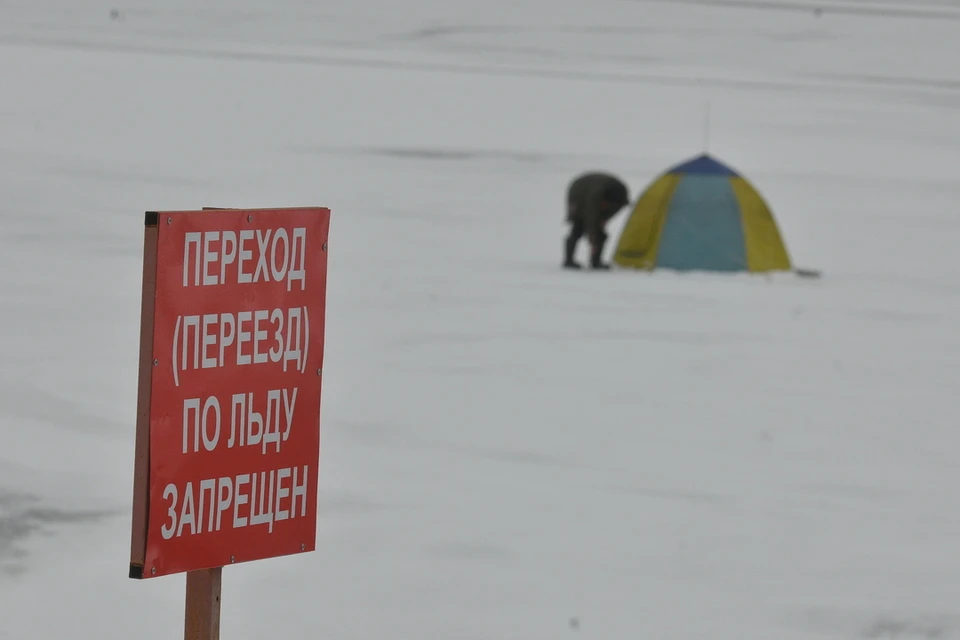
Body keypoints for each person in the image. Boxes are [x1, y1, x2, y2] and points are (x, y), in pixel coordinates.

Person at [563, 171, 630, 270]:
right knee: (578, 227)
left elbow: (614, 210)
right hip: (579, 192)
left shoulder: (620, 197)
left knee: (601, 234)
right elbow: (591, 219)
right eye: (604, 205)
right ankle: (569, 260)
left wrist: (604, 220)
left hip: (596, 187)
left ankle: (596, 261)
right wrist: (593, 238)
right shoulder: (594, 198)